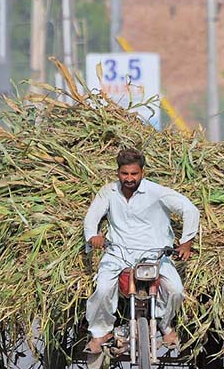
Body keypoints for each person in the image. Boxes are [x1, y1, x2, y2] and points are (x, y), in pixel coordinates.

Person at [83, 149, 200, 354]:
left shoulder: (157, 192)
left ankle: (164, 324)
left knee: (175, 290)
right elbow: (92, 216)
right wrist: (94, 235)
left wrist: (186, 243)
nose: (129, 179)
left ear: (142, 173)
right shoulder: (108, 192)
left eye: (134, 174)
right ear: (118, 173)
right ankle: (101, 332)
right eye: (124, 174)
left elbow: (189, 209)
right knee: (102, 290)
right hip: (117, 254)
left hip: (154, 255)